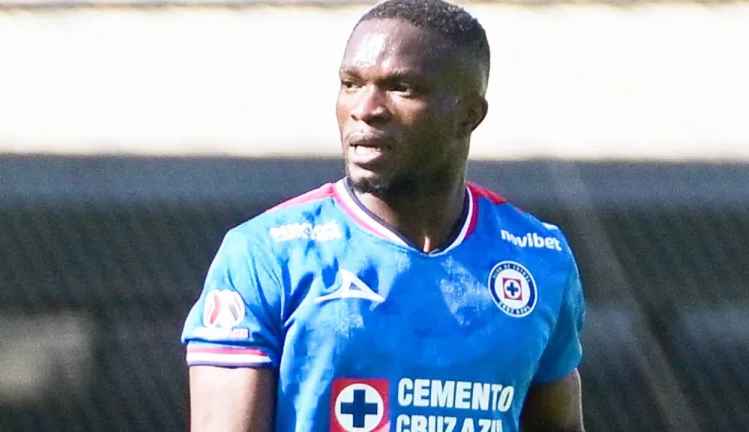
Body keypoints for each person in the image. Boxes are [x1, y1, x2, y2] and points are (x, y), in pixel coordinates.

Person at [181, 0, 586, 430]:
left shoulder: (538, 257)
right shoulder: (266, 253)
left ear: (469, 115)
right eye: (351, 84)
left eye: (401, 87)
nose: (366, 108)